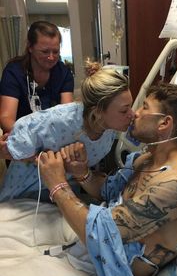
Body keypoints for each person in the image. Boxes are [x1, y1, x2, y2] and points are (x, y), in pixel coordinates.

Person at [38, 82, 177, 276]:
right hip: (94, 256)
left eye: (144, 107)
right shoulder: (147, 160)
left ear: (164, 123)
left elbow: (98, 233)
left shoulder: (172, 183)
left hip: (111, 274)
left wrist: (57, 185)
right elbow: (108, 192)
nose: (134, 114)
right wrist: (82, 173)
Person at [0, 61, 134, 201]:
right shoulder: (60, 121)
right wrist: (34, 156)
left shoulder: (109, 129)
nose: (132, 114)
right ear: (98, 112)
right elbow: (23, 127)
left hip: (61, 193)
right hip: (24, 193)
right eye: (124, 110)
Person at [0, 20, 74, 133]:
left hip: (53, 136)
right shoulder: (14, 72)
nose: (51, 57)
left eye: (55, 52)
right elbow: (6, 118)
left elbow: (66, 115)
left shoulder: (63, 73)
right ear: (30, 47)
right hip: (22, 136)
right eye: (45, 52)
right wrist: (31, 137)